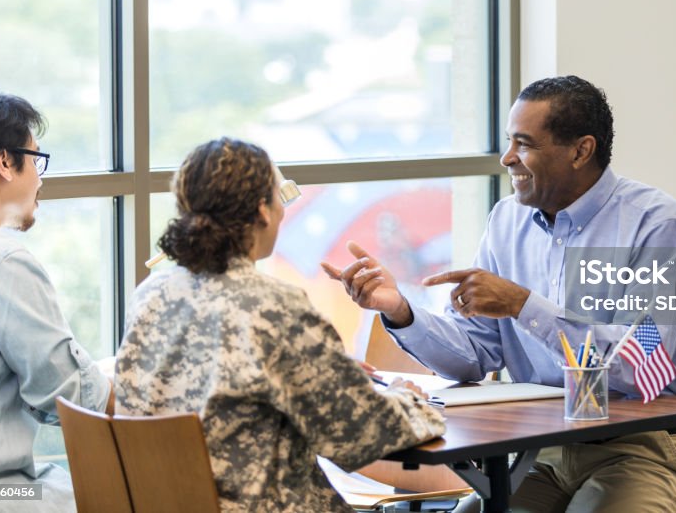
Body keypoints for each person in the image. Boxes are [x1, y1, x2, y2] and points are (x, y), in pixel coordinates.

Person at [323, 75, 676, 513]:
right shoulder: (507, 220)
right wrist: (398, 309)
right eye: (510, 141)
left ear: (581, 151)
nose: (508, 158)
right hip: (541, 454)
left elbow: (640, 363)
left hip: (645, 450)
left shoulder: (656, 224)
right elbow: (475, 353)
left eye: (524, 144)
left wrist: (522, 305)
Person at [114, 137, 445, 512]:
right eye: (278, 198)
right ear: (263, 210)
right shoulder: (275, 306)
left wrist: (325, 372)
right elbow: (361, 436)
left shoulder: (152, 294)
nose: (284, 211)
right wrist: (409, 397)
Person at [0, 85, 113, 512]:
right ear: (5, 162)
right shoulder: (2, 260)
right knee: (129, 496)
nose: (40, 179)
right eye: (36, 160)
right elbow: (71, 395)